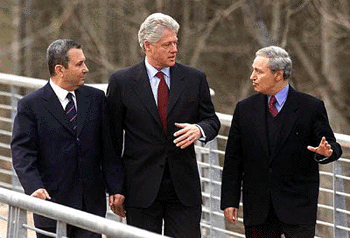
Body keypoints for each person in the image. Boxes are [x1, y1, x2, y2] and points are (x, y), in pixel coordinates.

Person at [106, 13, 220, 238]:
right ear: (148, 46)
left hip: (183, 189)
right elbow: (111, 140)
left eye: (175, 43)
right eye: (167, 44)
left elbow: (212, 120)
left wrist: (200, 130)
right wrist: (115, 188)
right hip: (140, 189)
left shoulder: (194, 78)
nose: (174, 49)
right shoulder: (122, 82)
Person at [220, 46, 342, 238]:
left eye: (258, 71)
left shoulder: (311, 107)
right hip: (257, 209)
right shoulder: (245, 109)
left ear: (278, 75)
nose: (252, 76)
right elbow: (233, 159)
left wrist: (325, 153)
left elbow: (333, 147)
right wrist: (229, 200)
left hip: (298, 208)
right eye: (253, 70)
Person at [11, 39, 124, 238]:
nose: (86, 69)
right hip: (50, 204)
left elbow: (109, 150)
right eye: (79, 64)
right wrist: (34, 187)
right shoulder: (31, 105)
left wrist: (116, 187)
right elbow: (22, 153)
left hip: (91, 206)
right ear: (60, 69)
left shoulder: (96, 99)